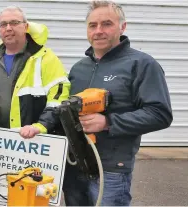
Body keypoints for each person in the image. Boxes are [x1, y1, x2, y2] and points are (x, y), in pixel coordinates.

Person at [63, 1, 173, 206]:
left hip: (111, 169)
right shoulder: (79, 68)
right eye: (92, 25)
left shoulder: (141, 64)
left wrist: (108, 122)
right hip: (75, 166)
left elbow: (160, 114)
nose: (99, 31)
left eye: (107, 24)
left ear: (122, 27)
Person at [0, 6, 70, 138]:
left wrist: (40, 126)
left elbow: (59, 98)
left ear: (26, 26)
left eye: (14, 23)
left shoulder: (46, 58)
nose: (8, 28)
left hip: (32, 142)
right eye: (3, 24)